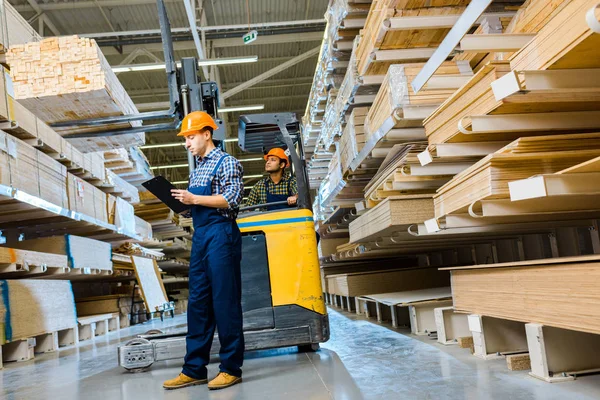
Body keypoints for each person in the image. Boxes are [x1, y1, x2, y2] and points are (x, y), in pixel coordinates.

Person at [164, 111, 245, 391]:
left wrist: (194, 197)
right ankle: (194, 368)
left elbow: (231, 199)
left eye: (190, 137)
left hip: (221, 235)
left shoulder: (226, 162)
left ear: (207, 134)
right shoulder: (196, 168)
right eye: (185, 138)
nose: (186, 143)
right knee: (198, 303)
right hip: (201, 238)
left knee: (225, 301)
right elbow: (198, 203)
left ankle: (231, 368)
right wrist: (183, 204)